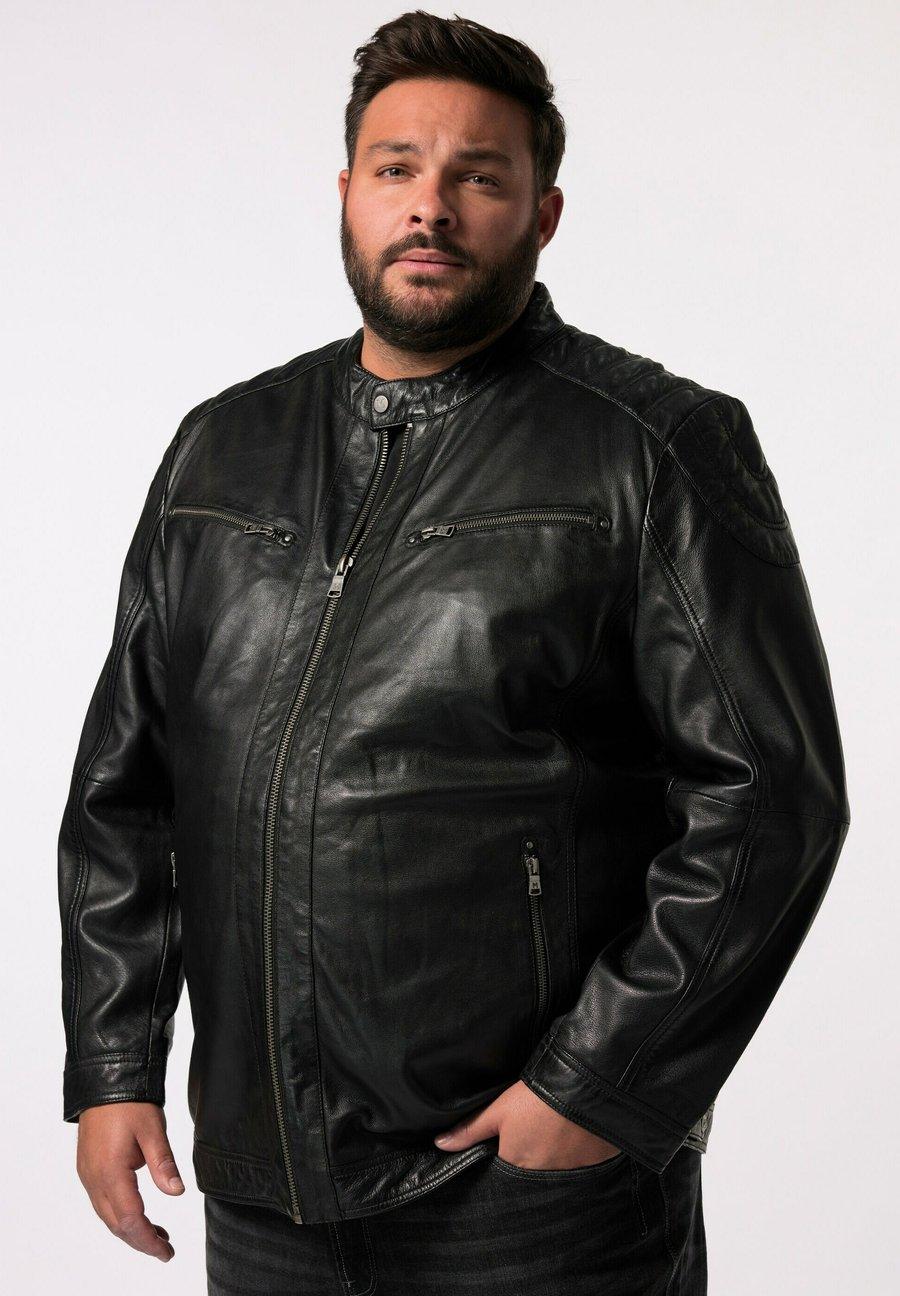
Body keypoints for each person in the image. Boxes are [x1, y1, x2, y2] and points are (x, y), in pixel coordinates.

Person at [57, 11, 850, 1295]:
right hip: (264, 1185)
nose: (429, 205)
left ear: (543, 214)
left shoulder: (651, 445)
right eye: (397, 168)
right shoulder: (223, 448)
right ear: (346, 194)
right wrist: (112, 1066)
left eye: (479, 176)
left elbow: (772, 797)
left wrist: (596, 1087)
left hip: (528, 1195)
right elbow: (124, 786)